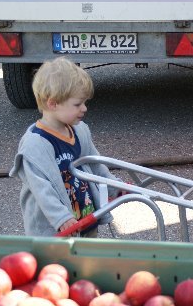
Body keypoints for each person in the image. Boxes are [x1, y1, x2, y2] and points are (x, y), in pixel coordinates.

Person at [10, 57, 119, 237]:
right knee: (57, 265)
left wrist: (115, 186)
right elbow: (41, 188)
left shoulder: (80, 131)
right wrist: (61, 217)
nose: (84, 108)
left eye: (84, 102)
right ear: (52, 103)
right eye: (77, 104)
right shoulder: (35, 144)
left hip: (86, 217)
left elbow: (95, 164)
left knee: (86, 262)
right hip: (55, 228)